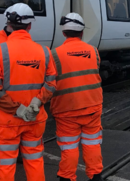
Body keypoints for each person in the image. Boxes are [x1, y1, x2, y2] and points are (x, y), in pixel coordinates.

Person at [0, 3, 56, 181]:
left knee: (5, 165)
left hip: (6, 121)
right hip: (34, 118)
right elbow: (51, 84)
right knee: (34, 160)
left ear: (9, 24)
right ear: (30, 25)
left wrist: (17, 110)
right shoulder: (44, 52)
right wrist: (36, 103)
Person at [50, 13, 103, 181]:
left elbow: (50, 81)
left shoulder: (55, 54)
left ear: (64, 33)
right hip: (92, 106)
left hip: (67, 109)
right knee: (92, 142)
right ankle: (95, 176)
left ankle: (66, 177)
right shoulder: (93, 51)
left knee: (69, 146)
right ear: (81, 32)